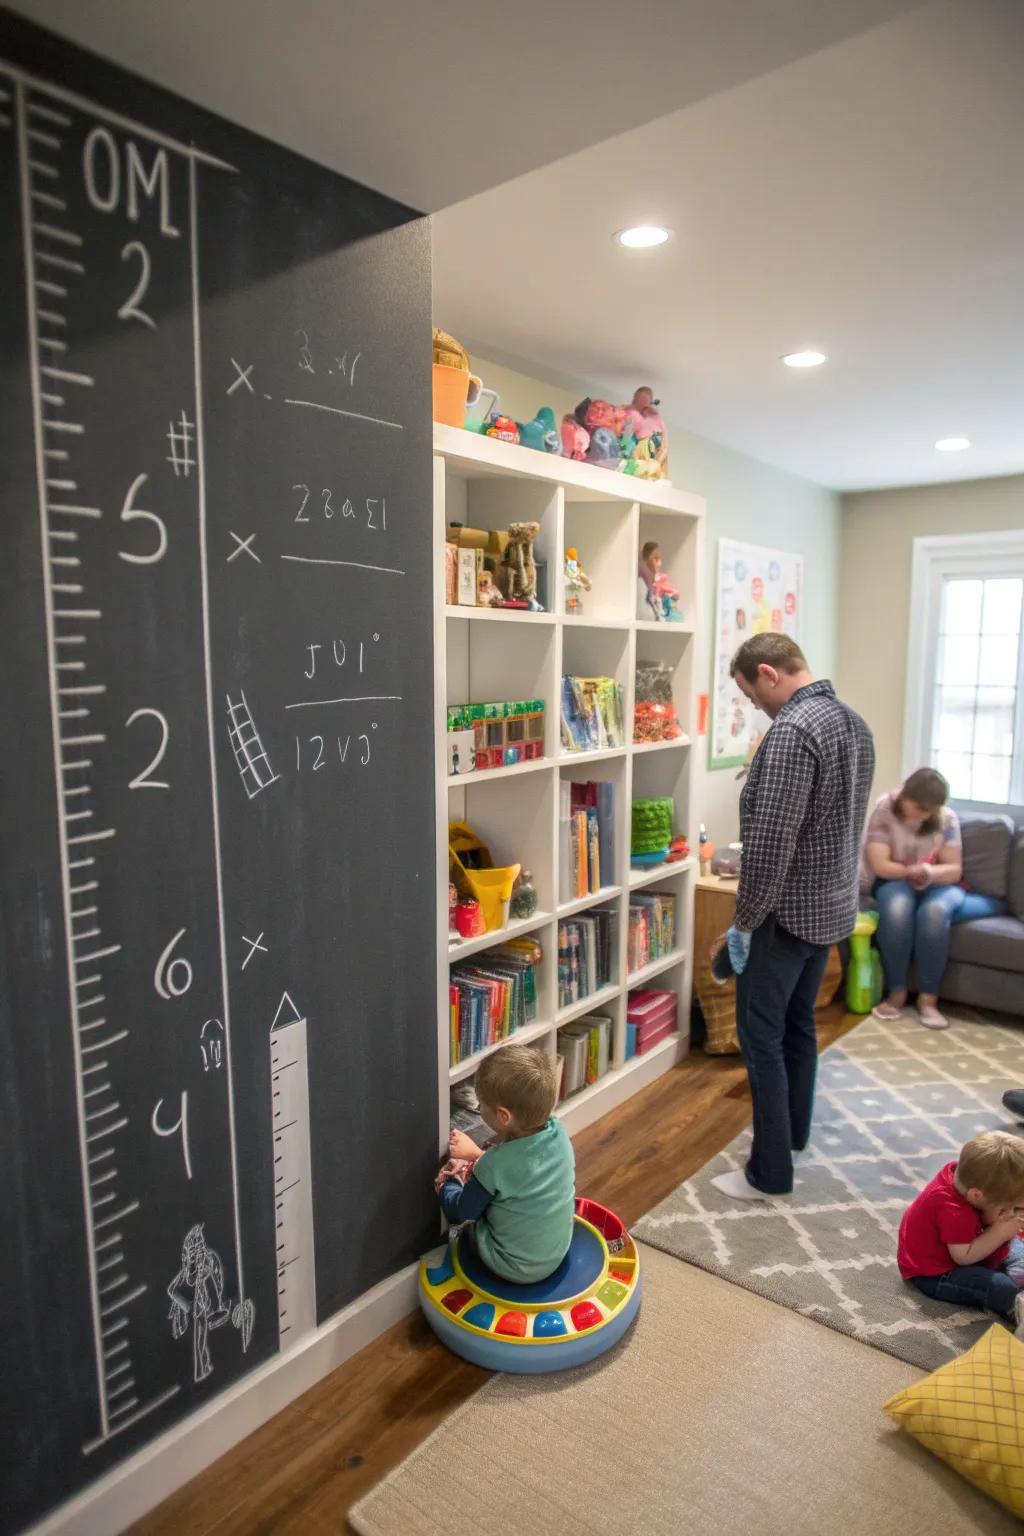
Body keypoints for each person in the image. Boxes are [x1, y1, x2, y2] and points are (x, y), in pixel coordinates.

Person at [712, 634, 875, 1203]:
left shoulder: (792, 733)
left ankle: (769, 1173)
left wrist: (745, 923)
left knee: (762, 1042)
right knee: (800, 1027)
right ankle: (794, 1136)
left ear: (768, 673)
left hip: (785, 918)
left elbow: (770, 843)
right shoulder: (854, 725)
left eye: (752, 695)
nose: (757, 706)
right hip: (832, 910)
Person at [862, 767, 1004, 1030]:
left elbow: (953, 870)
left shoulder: (946, 819)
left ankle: (928, 1000)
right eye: (917, 806)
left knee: (934, 912)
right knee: (896, 909)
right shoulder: (885, 809)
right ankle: (896, 993)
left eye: (928, 810)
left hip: (938, 884)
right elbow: (880, 864)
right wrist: (909, 871)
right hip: (895, 879)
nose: (921, 814)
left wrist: (929, 872)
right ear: (904, 795)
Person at [435, 1044, 575, 1283]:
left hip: (509, 1265)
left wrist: (448, 1184)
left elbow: (462, 1211)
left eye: (481, 1106)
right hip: (555, 1253)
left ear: (503, 1116)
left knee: (469, 1221)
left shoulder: (494, 1164)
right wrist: (479, 1157)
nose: (479, 1109)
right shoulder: (559, 1133)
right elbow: (521, 1172)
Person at [897, 1130, 1024, 1330]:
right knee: (999, 1287)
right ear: (976, 1196)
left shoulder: (967, 1179)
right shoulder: (952, 1210)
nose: (1013, 1211)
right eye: (1007, 1207)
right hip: (937, 1272)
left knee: (1018, 1249)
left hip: (971, 1239)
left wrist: (1002, 1221)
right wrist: (999, 1232)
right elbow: (963, 1257)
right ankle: (1018, 1308)